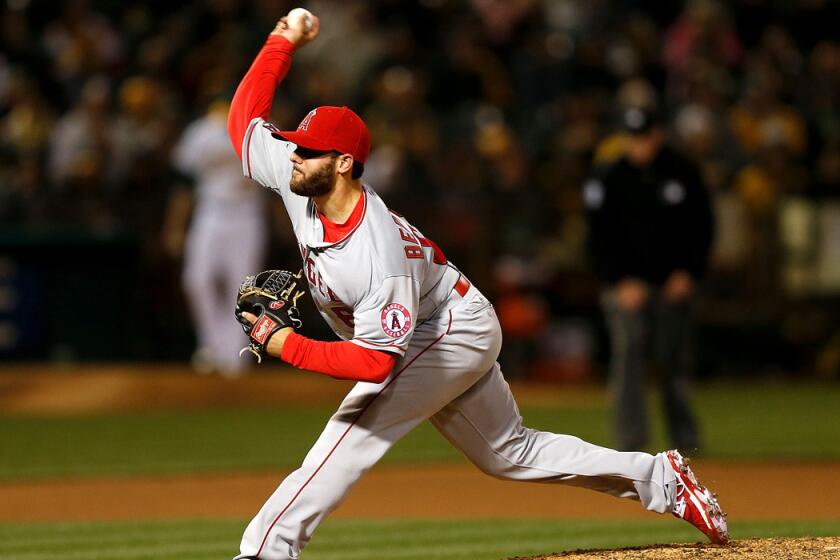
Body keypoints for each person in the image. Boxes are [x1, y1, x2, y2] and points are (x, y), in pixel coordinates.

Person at [226, 12, 727, 560]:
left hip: (446, 329)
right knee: (509, 453)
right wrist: (282, 40)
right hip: (434, 322)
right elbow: (244, 122)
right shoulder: (303, 179)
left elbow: (375, 364)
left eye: (309, 149)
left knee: (350, 435)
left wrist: (285, 346)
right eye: (296, 145)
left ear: (344, 163)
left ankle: (266, 551)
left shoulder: (375, 252)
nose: (294, 154)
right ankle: (663, 479)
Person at [584, 107, 714, 453]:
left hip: (673, 286)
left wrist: (688, 272)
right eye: (632, 137)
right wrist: (619, 281)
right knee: (627, 359)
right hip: (625, 288)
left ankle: (687, 442)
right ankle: (630, 444)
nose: (637, 145)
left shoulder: (683, 172)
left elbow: (702, 228)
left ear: (658, 133)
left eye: (643, 137)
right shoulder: (610, 176)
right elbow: (598, 239)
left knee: (674, 361)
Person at [163, 99, 269, 376]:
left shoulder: (259, 130)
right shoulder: (201, 133)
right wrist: (176, 225)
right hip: (210, 211)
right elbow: (183, 183)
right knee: (196, 279)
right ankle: (211, 346)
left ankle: (234, 356)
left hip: (247, 213)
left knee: (242, 287)